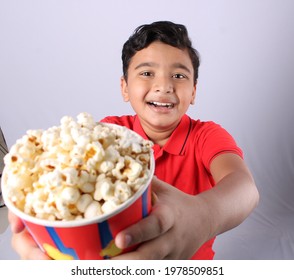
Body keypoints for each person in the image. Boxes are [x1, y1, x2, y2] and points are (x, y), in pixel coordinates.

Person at [8, 21, 259, 260]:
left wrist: (204, 216)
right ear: (125, 88)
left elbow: (244, 189)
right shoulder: (108, 137)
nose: (163, 86)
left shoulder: (206, 136)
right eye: (147, 72)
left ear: (193, 91)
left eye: (179, 76)